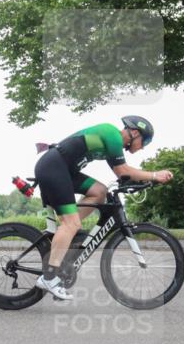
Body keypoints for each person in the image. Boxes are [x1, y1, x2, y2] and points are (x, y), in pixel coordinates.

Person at [33, 116, 173, 300]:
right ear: (135, 133)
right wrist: (155, 175)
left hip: (62, 169)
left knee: (99, 191)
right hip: (53, 167)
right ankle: (49, 278)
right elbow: (123, 171)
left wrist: (145, 180)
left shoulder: (111, 144)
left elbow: (123, 175)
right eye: (144, 141)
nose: (143, 146)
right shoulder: (112, 135)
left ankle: (68, 232)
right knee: (70, 223)